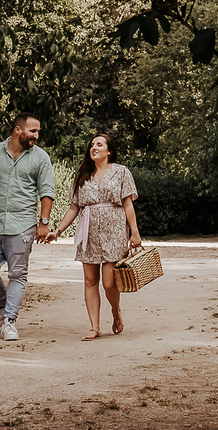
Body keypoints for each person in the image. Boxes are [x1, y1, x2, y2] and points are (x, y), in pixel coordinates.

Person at [0, 111, 55, 342]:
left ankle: (9, 320)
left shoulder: (40, 157)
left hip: (23, 225)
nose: (37, 135)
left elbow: (47, 191)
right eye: (33, 131)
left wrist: (43, 223)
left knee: (18, 274)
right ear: (18, 129)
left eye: (38, 131)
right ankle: (2, 305)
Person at [48, 132, 141, 340]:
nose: (94, 147)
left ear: (109, 150)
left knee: (109, 283)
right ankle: (95, 327)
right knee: (90, 280)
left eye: (99, 144)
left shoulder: (121, 172)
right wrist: (58, 230)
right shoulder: (82, 175)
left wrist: (134, 232)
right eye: (92, 144)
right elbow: (74, 208)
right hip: (88, 233)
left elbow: (128, 204)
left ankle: (116, 312)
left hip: (114, 232)